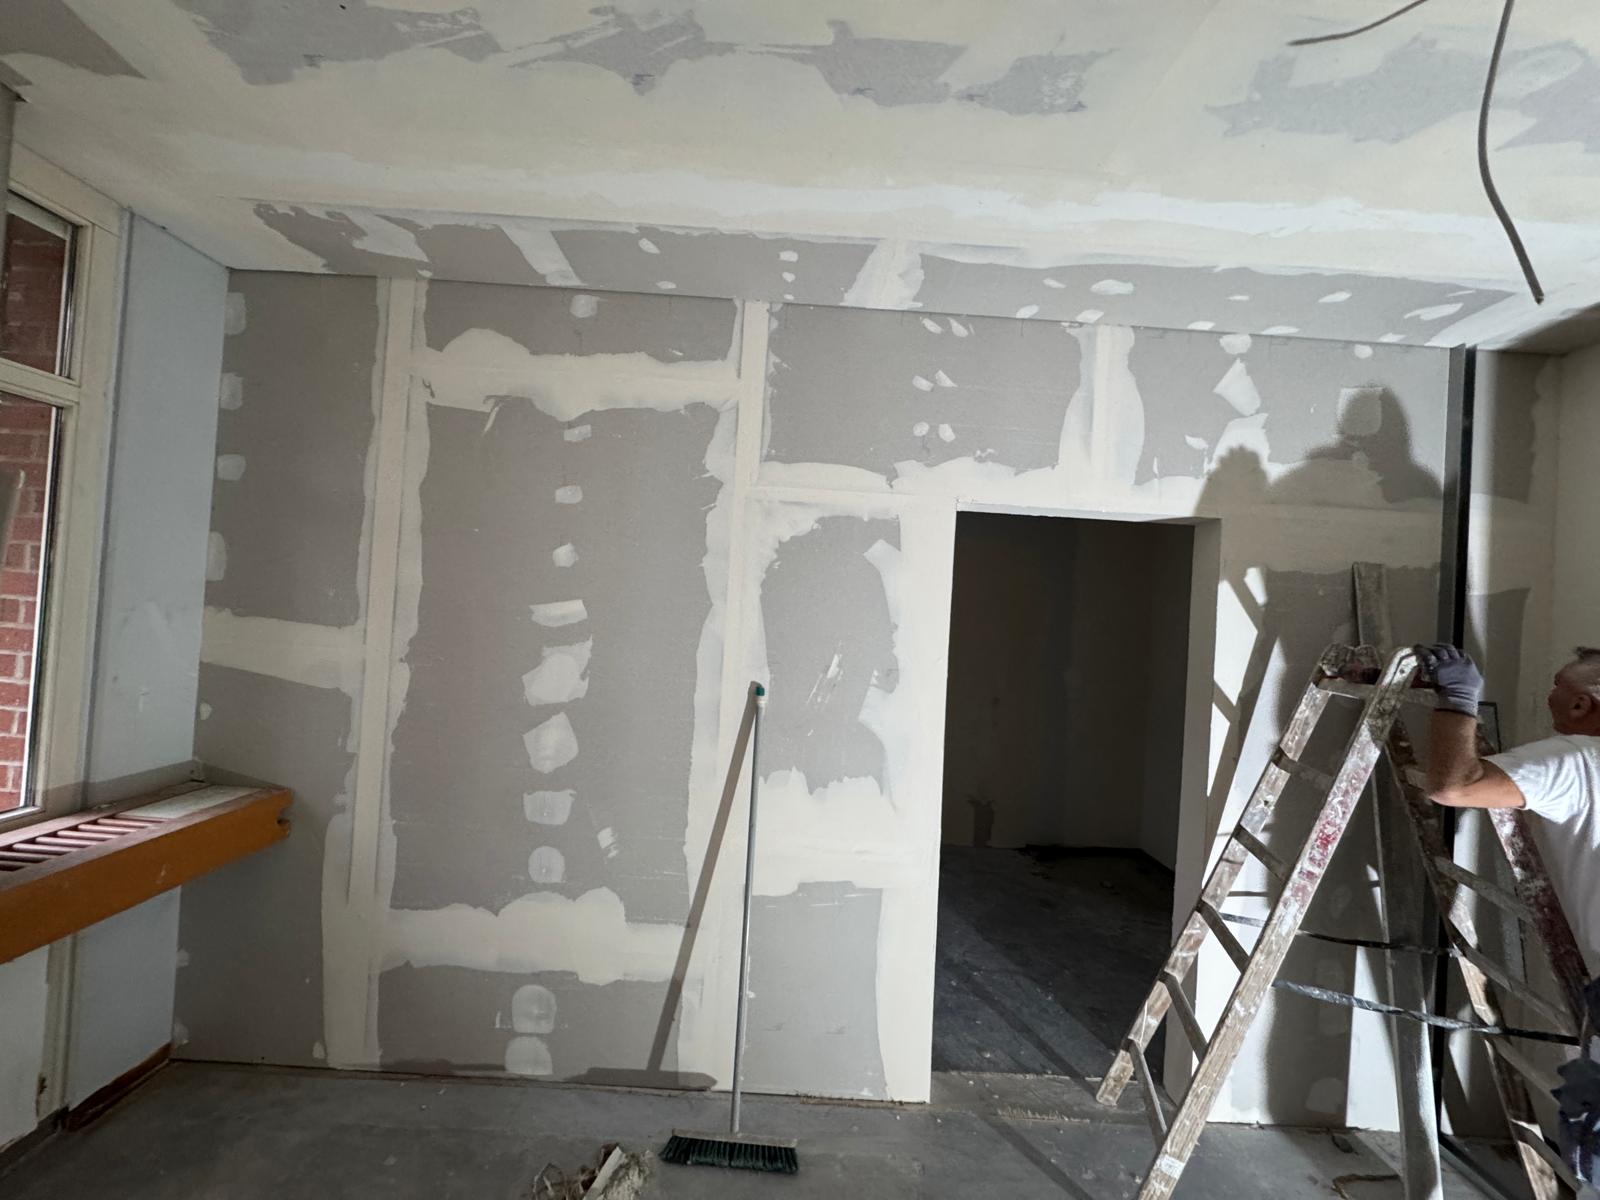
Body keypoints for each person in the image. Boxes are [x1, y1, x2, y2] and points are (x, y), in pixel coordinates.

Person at [1417, 642, 1600, 1188]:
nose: (1549, 695)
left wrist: (1458, 700)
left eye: (1558, 686)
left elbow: (1454, 784)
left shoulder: (1578, 761)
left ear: (1582, 706)